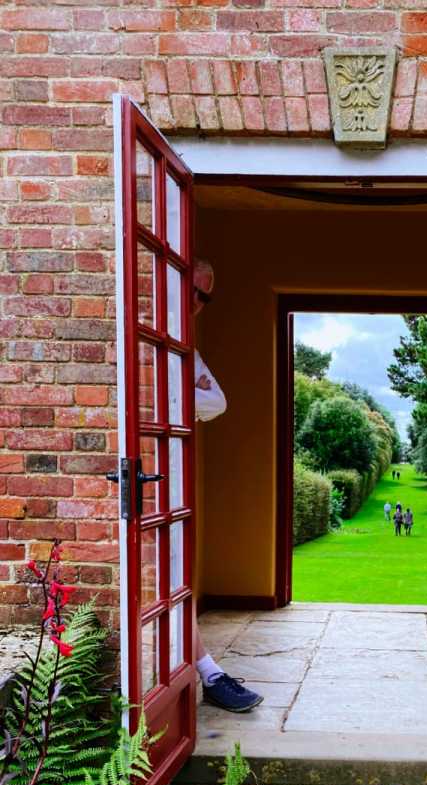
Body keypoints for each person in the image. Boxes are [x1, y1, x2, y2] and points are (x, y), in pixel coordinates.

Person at [192, 258, 263, 713]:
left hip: (164, 483)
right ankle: (210, 675)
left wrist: (175, 390)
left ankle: (210, 674)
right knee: (168, 587)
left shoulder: (185, 346)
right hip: (139, 482)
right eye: (194, 290)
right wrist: (184, 389)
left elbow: (216, 401)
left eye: (206, 297)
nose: (198, 303)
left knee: (175, 587)